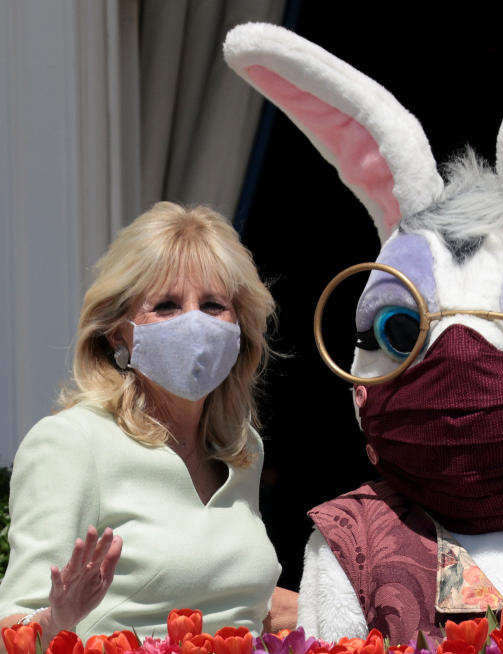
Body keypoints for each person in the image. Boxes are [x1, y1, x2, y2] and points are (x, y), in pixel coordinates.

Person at [0, 202, 296, 644]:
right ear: (118, 332)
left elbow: (229, 597)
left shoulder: (241, 447)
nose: (194, 322)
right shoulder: (70, 443)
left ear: (241, 328)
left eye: (214, 305)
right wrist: (57, 617)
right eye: (167, 306)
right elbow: (12, 632)